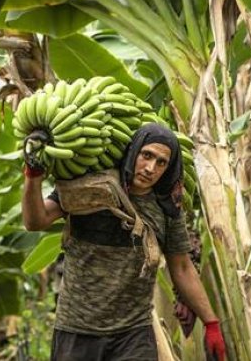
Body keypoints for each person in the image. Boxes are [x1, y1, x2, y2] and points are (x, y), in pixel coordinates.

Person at [22, 123, 226, 360]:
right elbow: (36, 221)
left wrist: (211, 323)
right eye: (146, 155)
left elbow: (181, 267)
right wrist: (33, 176)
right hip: (77, 328)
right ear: (134, 151)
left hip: (133, 333)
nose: (151, 168)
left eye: (161, 162)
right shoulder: (93, 186)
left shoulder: (167, 207)